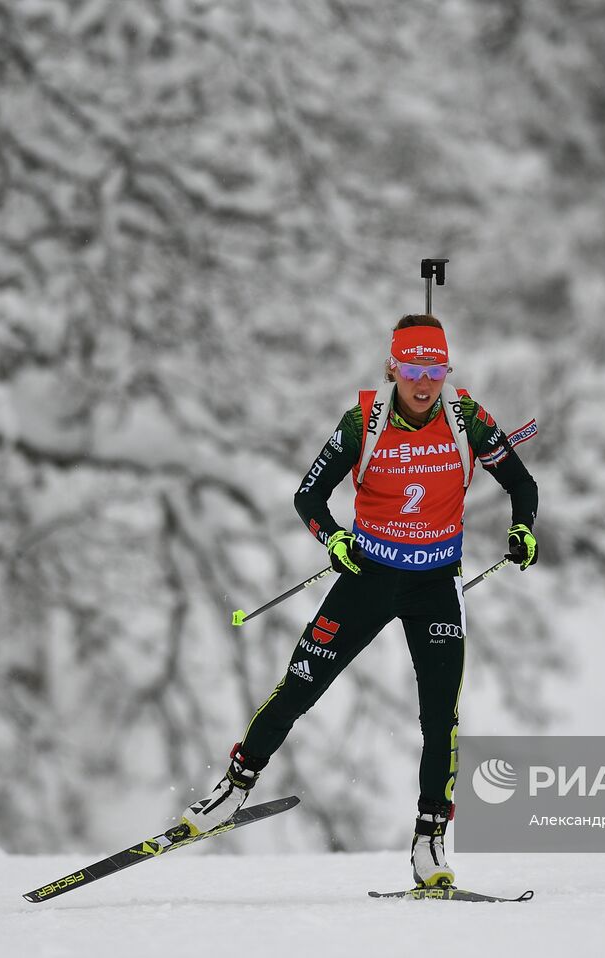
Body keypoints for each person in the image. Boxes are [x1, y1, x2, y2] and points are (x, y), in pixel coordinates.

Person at [181, 314, 538, 887]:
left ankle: (430, 840)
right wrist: (334, 538)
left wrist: (523, 529)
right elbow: (308, 497)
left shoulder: (466, 418)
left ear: (446, 371)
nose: (425, 383)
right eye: (413, 369)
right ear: (393, 367)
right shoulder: (363, 424)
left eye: (436, 370)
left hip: (435, 585)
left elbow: (522, 484)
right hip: (368, 576)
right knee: (301, 683)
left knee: (439, 718)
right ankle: (235, 787)